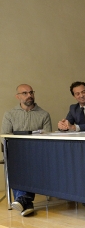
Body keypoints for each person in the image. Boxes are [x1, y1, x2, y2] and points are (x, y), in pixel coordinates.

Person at [1, 84, 52, 216]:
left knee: (30, 162)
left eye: (31, 92)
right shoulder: (9, 115)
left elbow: (48, 138)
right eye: (25, 93)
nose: (29, 95)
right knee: (17, 162)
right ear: (18, 97)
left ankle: (22, 199)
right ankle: (26, 200)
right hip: (16, 153)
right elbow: (4, 137)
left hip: (37, 153)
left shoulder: (44, 114)